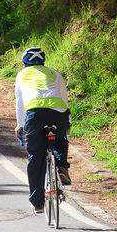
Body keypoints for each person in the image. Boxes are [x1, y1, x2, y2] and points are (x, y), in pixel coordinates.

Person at [15, 46, 71, 213]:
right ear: (43, 62)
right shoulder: (55, 73)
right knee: (59, 140)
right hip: (57, 112)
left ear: (24, 63)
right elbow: (64, 97)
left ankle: (38, 202)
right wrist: (67, 122)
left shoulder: (22, 75)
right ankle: (61, 166)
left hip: (35, 113)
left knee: (35, 157)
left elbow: (20, 103)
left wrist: (20, 124)